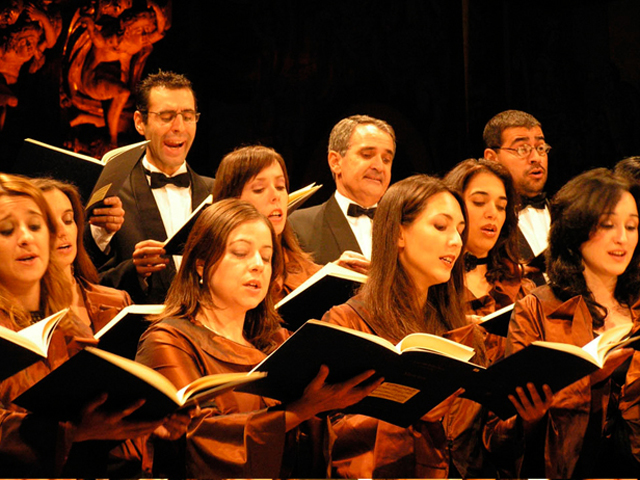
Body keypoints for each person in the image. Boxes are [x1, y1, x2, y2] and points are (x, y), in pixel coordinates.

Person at [135, 199, 382, 478]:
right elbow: (198, 439)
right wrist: (301, 410)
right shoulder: (168, 340)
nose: (258, 266)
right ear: (201, 265)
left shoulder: (278, 342)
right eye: (240, 253)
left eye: (266, 257)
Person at [322, 174, 493, 478]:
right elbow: (331, 432)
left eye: (459, 229)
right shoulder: (347, 322)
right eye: (441, 226)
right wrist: (408, 414)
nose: (455, 240)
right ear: (398, 233)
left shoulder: (459, 328)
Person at [0, 173, 162, 476]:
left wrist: (151, 419)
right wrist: (69, 431)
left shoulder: (67, 317)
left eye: (36, 226)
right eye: (6, 230)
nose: (26, 237)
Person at [485, 168, 640, 478]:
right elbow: (496, 431)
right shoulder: (537, 308)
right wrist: (533, 416)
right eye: (607, 225)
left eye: (632, 226)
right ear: (574, 230)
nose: (622, 238)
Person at [87, 70, 214, 304]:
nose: (179, 127)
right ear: (139, 122)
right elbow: (87, 281)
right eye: (166, 116)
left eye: (187, 116)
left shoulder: (217, 192)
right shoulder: (112, 192)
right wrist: (135, 271)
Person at [211, 145, 367, 301]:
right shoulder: (219, 267)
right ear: (232, 201)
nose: (276, 196)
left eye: (280, 186)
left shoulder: (298, 263)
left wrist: (335, 274)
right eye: (259, 189)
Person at [444, 158, 534, 363]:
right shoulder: (429, 282)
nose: (492, 213)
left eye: (501, 206)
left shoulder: (519, 286)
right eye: (479, 202)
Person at [289, 114, 396, 264]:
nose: (379, 167)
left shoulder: (404, 229)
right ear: (335, 162)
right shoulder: (297, 226)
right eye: (367, 155)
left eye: (386, 160)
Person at [34, 178, 132, 336]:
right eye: (48, 222)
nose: (62, 231)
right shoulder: (19, 316)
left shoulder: (117, 301)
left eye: (68, 220)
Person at [483, 110, 551, 284]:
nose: (536, 158)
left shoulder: (565, 211)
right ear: (492, 158)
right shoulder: (484, 220)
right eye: (522, 149)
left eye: (541, 148)